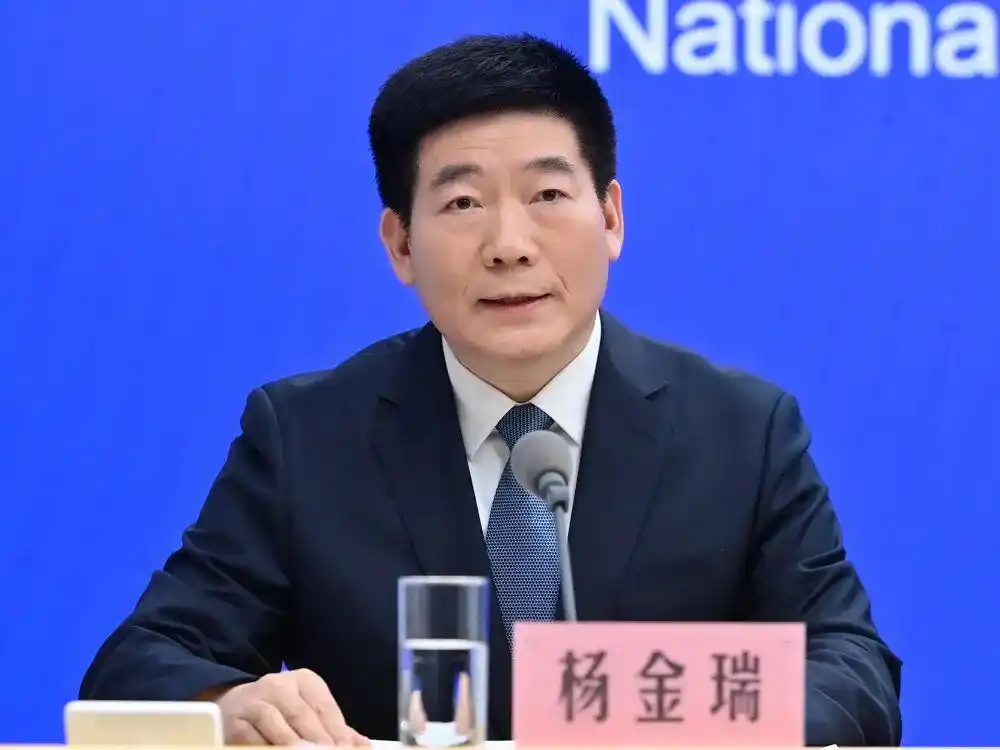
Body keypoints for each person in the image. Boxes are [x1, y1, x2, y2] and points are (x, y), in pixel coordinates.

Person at [80, 33, 902, 746]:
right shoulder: (307, 435)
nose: (510, 244)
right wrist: (230, 703)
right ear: (401, 245)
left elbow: (852, 667)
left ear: (611, 218)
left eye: (548, 195)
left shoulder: (741, 430)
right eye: (464, 202)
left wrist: (713, 728)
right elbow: (142, 660)